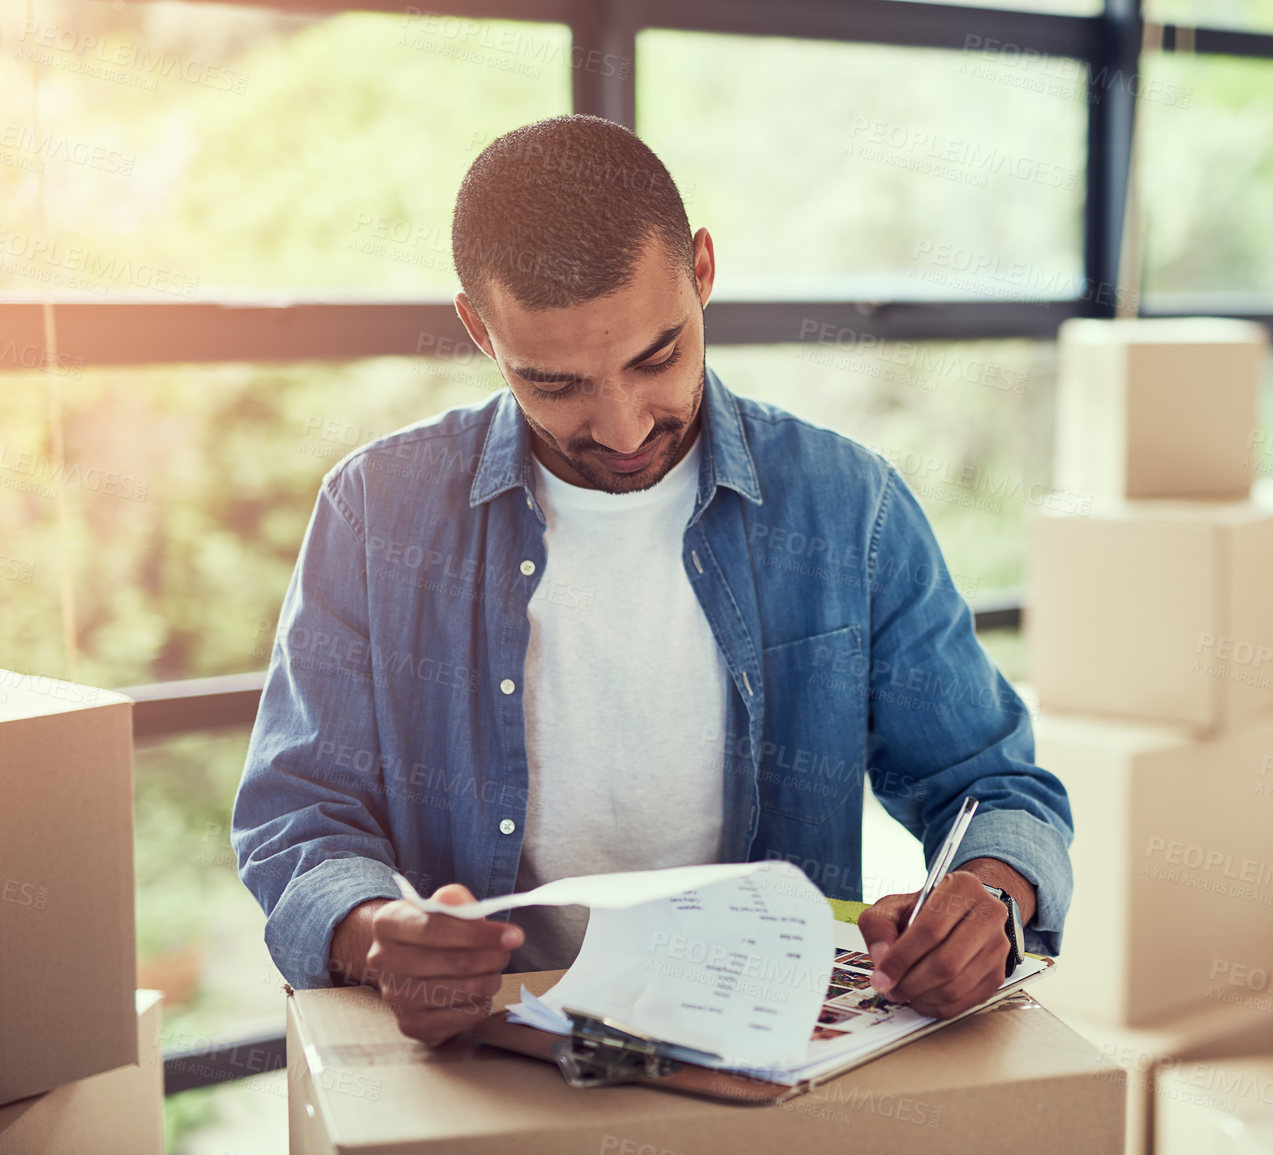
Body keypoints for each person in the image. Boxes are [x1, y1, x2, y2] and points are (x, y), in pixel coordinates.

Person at [232, 114, 1072, 1046]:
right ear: (479, 328)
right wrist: (372, 933)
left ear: (703, 271)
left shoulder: (848, 507)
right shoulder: (375, 513)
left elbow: (993, 784)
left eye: (657, 356)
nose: (625, 428)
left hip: (767, 1052)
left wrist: (991, 894)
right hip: (490, 1056)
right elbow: (297, 813)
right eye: (555, 385)